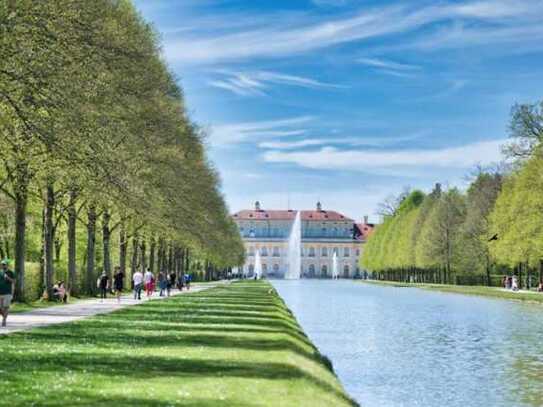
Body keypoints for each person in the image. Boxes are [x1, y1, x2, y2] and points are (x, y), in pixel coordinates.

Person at [0, 260, 15, 327]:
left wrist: (8, 278)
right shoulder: (0, 273)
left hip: (7, 293)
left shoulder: (11, 272)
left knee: (6, 307)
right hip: (0, 292)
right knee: (1, 308)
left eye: (4, 264)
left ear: (7, 265)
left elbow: (14, 281)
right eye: (2, 264)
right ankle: (4, 317)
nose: (3, 266)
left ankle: (4, 320)